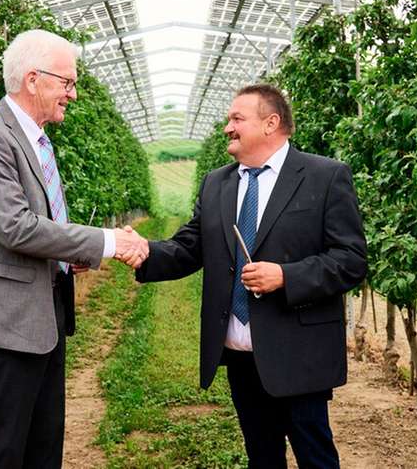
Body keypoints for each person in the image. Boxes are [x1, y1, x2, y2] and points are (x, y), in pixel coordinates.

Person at [0, 29, 149, 468]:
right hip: (2, 320)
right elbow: (15, 227)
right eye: (66, 82)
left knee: (42, 445)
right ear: (33, 79)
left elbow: (39, 224)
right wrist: (106, 242)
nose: (72, 93)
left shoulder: (34, 138)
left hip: (40, 316)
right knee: (4, 450)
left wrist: (67, 252)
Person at [135, 84, 367, 468]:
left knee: (315, 456)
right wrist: (142, 251)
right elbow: (191, 247)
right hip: (240, 352)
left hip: (298, 350)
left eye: (237, 119)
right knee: (261, 455)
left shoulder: (324, 176)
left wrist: (287, 276)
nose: (228, 127)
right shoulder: (217, 183)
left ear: (271, 123)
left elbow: (351, 258)